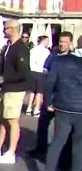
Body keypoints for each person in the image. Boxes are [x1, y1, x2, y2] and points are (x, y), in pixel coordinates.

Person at [0, 20, 30, 165]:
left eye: (5, 28)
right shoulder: (9, 46)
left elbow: (23, 72)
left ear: (13, 29)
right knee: (2, 119)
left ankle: (11, 152)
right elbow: (5, 67)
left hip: (15, 89)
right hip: (6, 88)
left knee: (12, 121)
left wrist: (4, 78)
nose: (3, 31)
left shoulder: (21, 48)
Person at [27, 31, 74, 159]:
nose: (62, 44)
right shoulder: (52, 56)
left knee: (62, 130)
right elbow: (45, 73)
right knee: (43, 124)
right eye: (60, 42)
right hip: (50, 96)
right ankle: (40, 148)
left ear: (70, 43)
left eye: (65, 42)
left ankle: (62, 156)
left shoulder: (73, 59)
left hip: (64, 98)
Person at [41, 41, 82, 171]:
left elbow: (50, 82)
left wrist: (48, 101)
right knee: (79, 145)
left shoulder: (60, 60)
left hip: (63, 106)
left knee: (58, 140)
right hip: (80, 110)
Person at [26, 36, 50, 117]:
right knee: (39, 92)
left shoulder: (32, 50)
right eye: (47, 41)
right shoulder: (46, 51)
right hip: (41, 72)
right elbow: (47, 64)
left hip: (32, 71)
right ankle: (36, 109)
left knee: (32, 91)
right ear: (44, 41)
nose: (48, 43)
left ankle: (29, 108)